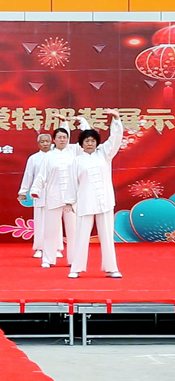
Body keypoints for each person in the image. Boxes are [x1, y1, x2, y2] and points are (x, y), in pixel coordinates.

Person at [65, 109, 123, 279]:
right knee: (82, 236)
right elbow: (72, 182)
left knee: (107, 236)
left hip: (105, 201)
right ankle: (76, 268)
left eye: (92, 141)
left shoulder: (104, 154)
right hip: (85, 202)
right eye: (86, 141)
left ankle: (111, 268)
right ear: (81, 144)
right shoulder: (77, 161)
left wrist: (116, 119)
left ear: (97, 143)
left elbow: (115, 139)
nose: (90, 143)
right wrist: (69, 201)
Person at [30, 115, 90, 268]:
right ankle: (48, 259)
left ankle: (73, 259)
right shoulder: (48, 156)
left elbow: (87, 136)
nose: (62, 140)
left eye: (65, 137)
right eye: (59, 137)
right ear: (54, 140)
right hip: (53, 197)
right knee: (50, 229)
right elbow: (41, 175)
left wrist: (82, 122)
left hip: (72, 198)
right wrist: (35, 189)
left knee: (74, 231)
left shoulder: (74, 151)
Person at [17, 133, 52, 258]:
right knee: (39, 222)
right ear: (38, 144)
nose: (45, 144)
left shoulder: (56, 157)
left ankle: (56, 248)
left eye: (47, 141)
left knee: (55, 223)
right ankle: (39, 248)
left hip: (55, 194)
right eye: (42, 142)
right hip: (39, 194)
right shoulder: (33, 158)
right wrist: (23, 192)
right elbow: (28, 176)